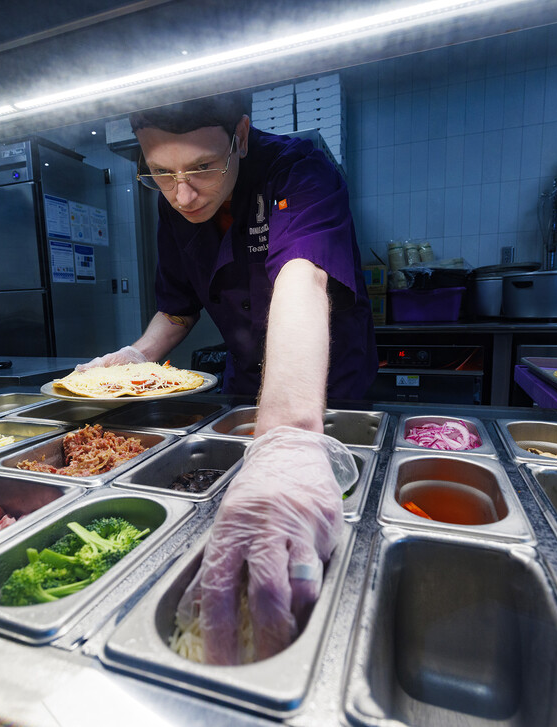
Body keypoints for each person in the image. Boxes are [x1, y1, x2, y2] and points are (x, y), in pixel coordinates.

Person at [77, 91, 377, 664]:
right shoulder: (178, 200)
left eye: (201, 168)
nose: (182, 193)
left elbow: (302, 279)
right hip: (246, 388)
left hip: (326, 392)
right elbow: (178, 308)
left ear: (239, 135)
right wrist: (136, 354)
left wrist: (288, 438)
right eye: (161, 174)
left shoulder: (299, 171)